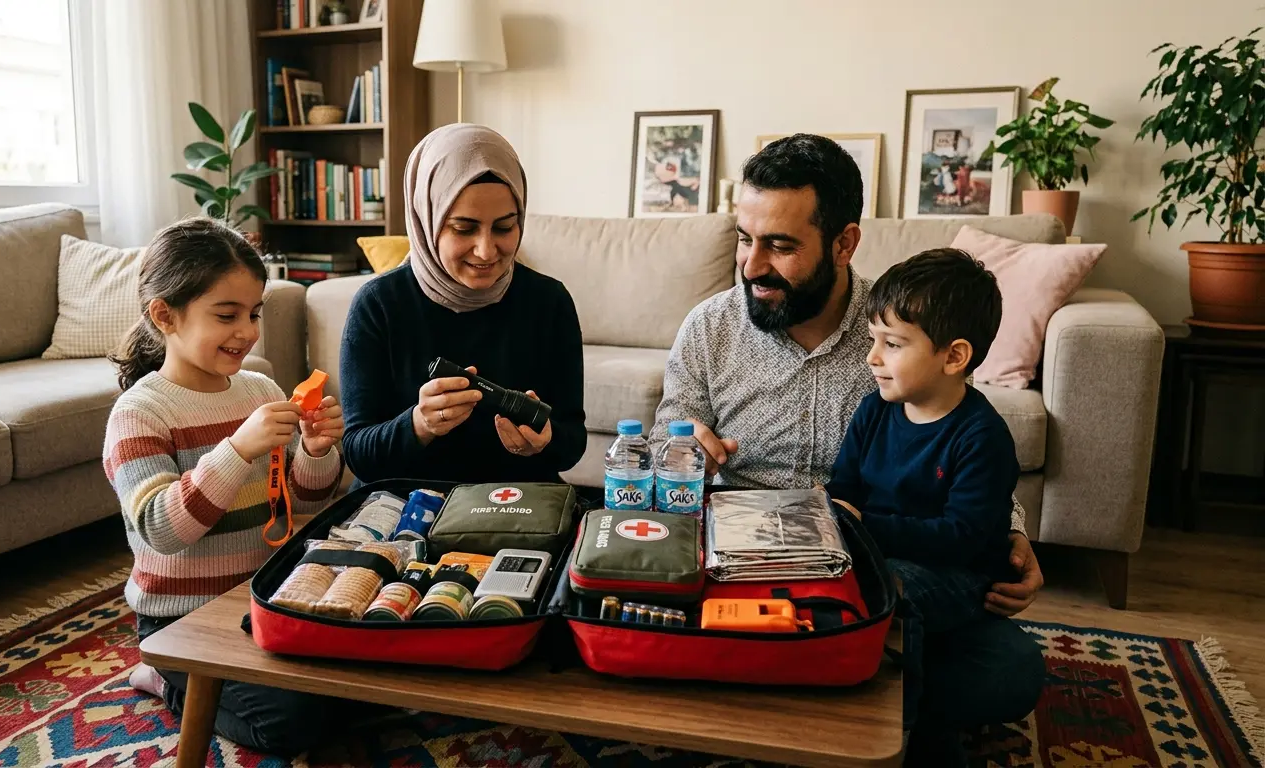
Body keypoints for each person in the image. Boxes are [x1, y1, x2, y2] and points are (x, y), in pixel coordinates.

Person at [651, 134, 1045, 766]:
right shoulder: (709, 328)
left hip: (870, 572)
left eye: (780, 245)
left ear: (843, 243)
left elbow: (964, 434)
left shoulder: (900, 334)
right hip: (739, 565)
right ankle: (827, 683)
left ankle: (790, 689)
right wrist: (682, 451)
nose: (752, 266)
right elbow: (667, 437)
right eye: (744, 240)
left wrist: (1011, 533)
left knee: (1012, 670)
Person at [103, 218, 348, 756]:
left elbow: (304, 501)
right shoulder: (140, 413)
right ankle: (165, 677)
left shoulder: (258, 387)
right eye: (227, 315)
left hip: (265, 598)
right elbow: (161, 530)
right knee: (292, 724)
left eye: (254, 313)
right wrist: (238, 449)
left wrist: (315, 449)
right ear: (164, 315)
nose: (249, 330)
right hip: (181, 618)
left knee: (370, 684)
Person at [822, 248, 1022, 754]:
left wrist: (865, 527)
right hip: (883, 551)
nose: (872, 357)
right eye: (873, 340)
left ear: (954, 357)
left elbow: (963, 537)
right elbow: (842, 488)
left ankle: (903, 737)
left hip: (961, 576)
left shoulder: (982, 436)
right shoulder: (874, 411)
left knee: (894, 592)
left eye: (892, 344)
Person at [339, 123, 587, 485]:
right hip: (406, 502)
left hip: (516, 503)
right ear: (428, 220)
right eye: (463, 228)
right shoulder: (379, 305)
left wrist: (545, 440)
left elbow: (573, 443)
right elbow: (359, 455)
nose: (487, 251)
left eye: (504, 227)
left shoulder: (549, 302)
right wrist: (419, 424)